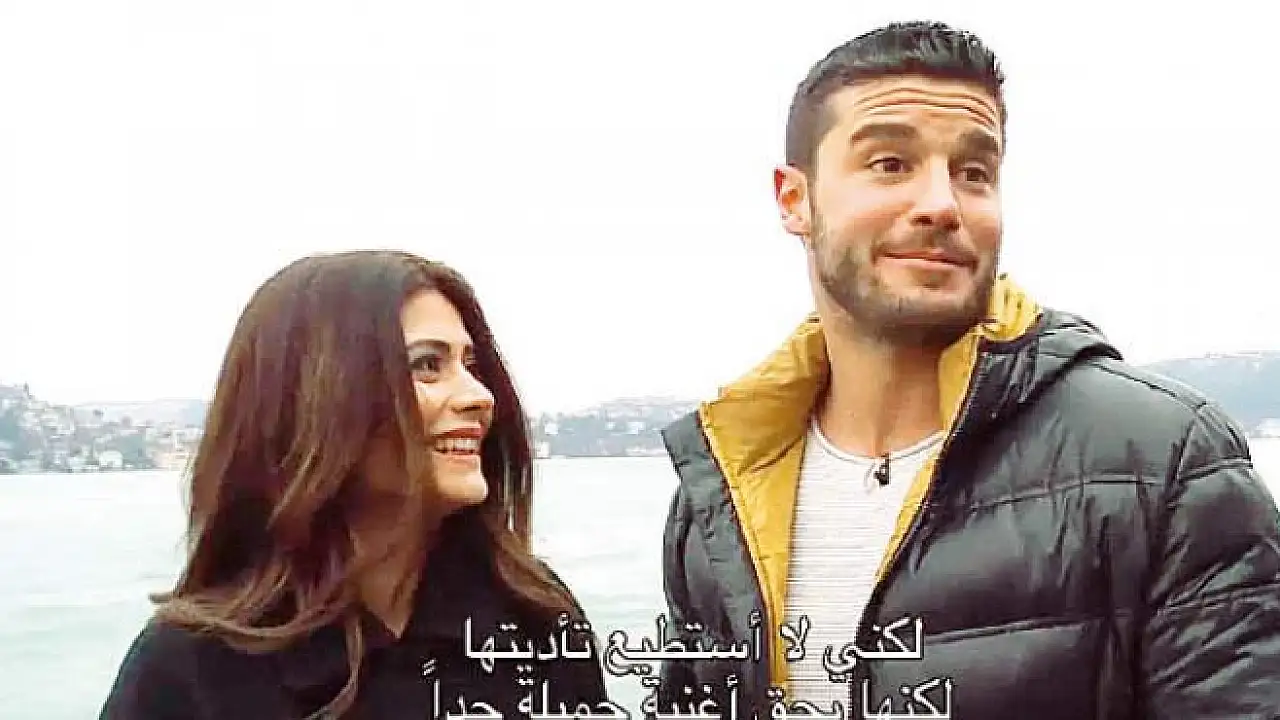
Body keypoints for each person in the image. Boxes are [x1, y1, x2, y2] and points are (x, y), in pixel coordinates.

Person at [656, 20, 1280, 719]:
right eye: (889, 163)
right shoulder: (723, 494)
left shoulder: (1163, 463)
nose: (941, 204)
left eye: (974, 172)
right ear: (793, 199)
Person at [99, 251, 611, 719]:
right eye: (427, 365)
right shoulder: (193, 668)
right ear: (314, 397)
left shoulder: (535, 621)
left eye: (471, 365)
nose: (479, 396)